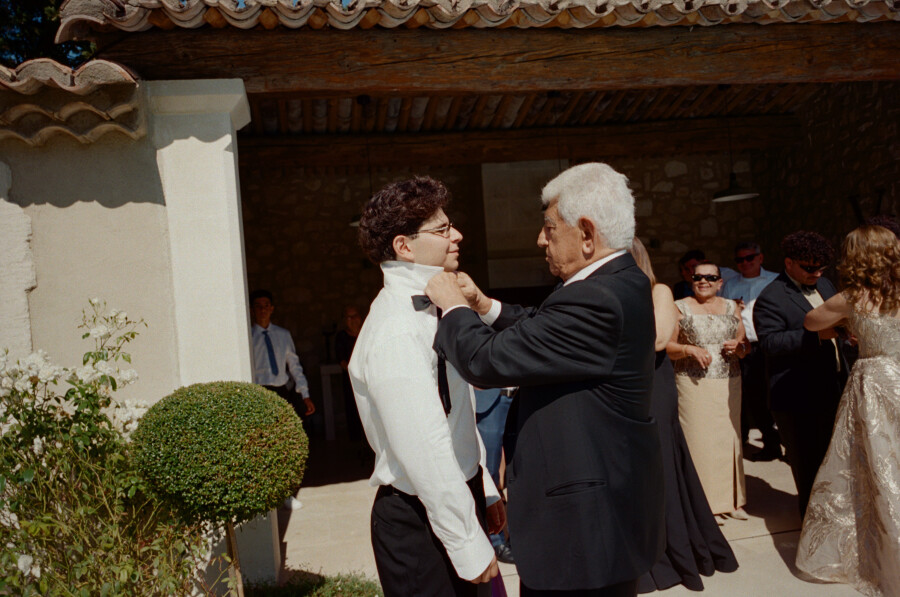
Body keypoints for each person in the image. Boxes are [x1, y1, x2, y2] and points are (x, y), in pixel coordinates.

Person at [425, 162, 664, 597]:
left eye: (549, 228)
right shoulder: (615, 281)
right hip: (601, 510)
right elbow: (544, 326)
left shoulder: (597, 298)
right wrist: (484, 306)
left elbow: (484, 361)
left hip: (584, 529)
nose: (540, 240)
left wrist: (452, 306)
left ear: (587, 234)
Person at [347, 176, 505, 596]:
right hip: (419, 519)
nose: (457, 236)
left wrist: (483, 488)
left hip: (455, 495)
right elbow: (424, 448)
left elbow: (456, 416)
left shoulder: (438, 307)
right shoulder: (396, 330)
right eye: (442, 229)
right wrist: (467, 543)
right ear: (404, 246)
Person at [796, 225, 900, 596]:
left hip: (875, 384)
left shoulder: (852, 298)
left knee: (875, 466)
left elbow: (811, 322)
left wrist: (844, 325)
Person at [631, 239, 738, 593]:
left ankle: (673, 548)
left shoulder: (658, 291)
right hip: (623, 387)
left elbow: (660, 339)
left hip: (652, 384)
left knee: (662, 463)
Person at [753, 231, 848, 518]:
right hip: (798, 397)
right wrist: (817, 336)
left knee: (837, 464)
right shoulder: (771, 297)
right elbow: (770, 344)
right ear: (789, 263)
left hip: (834, 386)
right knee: (809, 469)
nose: (816, 273)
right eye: (809, 267)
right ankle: (813, 529)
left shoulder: (826, 284)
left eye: (821, 267)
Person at [667, 262, 749, 521]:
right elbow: (665, 346)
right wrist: (688, 350)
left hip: (728, 381)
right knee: (698, 442)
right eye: (698, 277)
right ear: (691, 280)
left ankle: (732, 502)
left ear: (720, 282)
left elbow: (745, 346)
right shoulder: (678, 307)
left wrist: (738, 347)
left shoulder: (731, 306)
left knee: (729, 439)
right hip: (693, 384)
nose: (703, 281)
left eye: (710, 277)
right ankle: (704, 507)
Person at [249, 289, 316, 510]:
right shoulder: (247, 337)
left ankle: (287, 492)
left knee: (286, 443)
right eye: (258, 305)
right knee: (263, 445)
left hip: (281, 392)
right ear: (252, 310)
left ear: (272, 308)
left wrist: (304, 394)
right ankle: (267, 495)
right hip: (259, 393)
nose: (263, 309)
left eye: (266, 304)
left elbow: (294, 366)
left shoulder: (282, 334)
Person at [721, 241, 782, 461]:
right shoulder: (730, 286)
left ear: (760, 258)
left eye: (750, 258)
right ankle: (771, 444)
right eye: (740, 259)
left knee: (780, 393)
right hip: (747, 347)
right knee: (755, 397)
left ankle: (789, 444)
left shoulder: (776, 280)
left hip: (774, 343)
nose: (745, 263)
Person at [474, 387, 516, 565]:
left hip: (523, 396)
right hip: (489, 396)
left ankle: (518, 535)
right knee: (489, 471)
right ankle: (495, 540)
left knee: (521, 470)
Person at [335, 305, 364, 443]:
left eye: (355, 316)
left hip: (369, 379)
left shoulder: (365, 333)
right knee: (354, 412)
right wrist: (356, 373)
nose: (352, 320)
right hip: (352, 381)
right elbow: (342, 361)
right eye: (348, 317)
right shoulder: (341, 337)